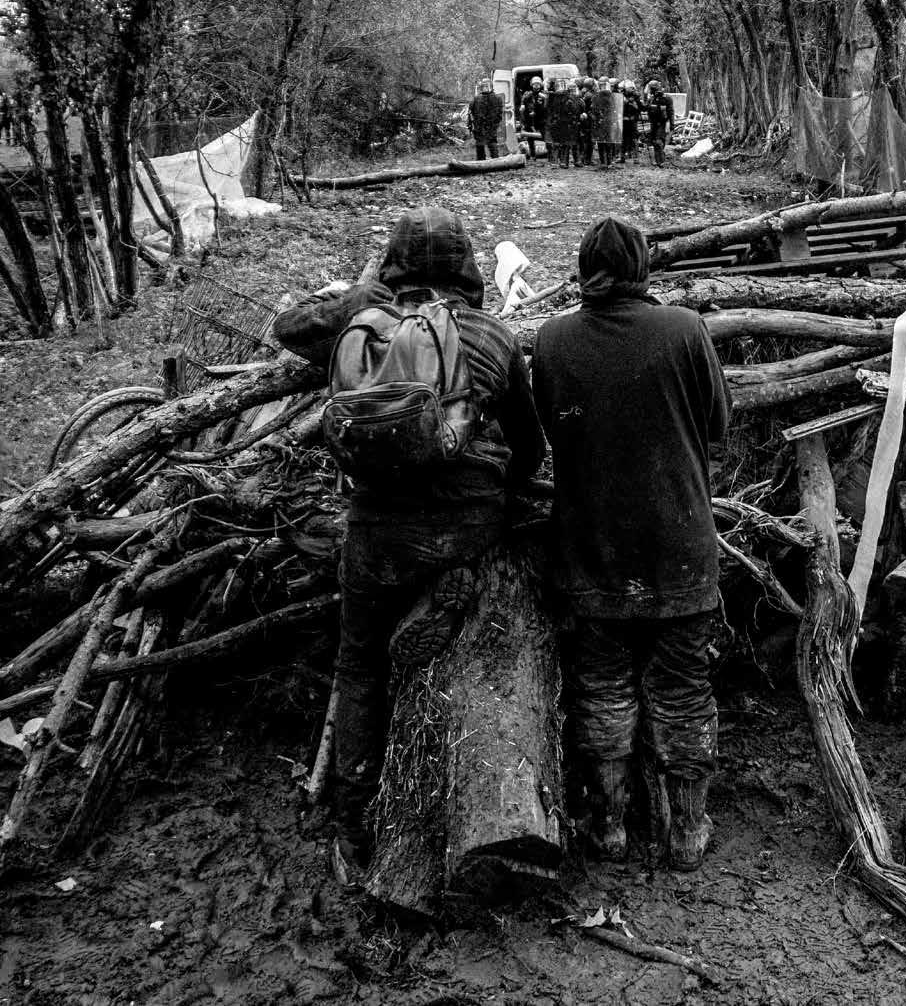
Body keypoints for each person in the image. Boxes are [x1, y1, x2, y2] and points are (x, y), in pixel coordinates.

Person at [273, 206, 546, 885]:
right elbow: (530, 447)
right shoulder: (492, 334)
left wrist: (362, 294)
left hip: (377, 530)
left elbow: (286, 326)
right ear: (467, 265)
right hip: (468, 526)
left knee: (359, 664)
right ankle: (457, 796)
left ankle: (353, 828)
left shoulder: (364, 318)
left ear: (392, 262)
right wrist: (501, 493)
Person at [532, 216, 730, 872]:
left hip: (592, 551)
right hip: (680, 547)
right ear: (643, 269)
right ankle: (687, 831)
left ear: (583, 271)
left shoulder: (553, 339)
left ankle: (609, 826)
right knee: (683, 691)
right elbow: (718, 426)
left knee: (603, 688)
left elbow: (547, 434)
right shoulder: (686, 330)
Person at [467, 77, 503, 160]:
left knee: (492, 144)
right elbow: (470, 113)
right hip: (479, 126)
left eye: (487, 86)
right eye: (483, 86)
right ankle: (481, 162)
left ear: (491, 86)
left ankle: (496, 162)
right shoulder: (476, 99)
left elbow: (499, 114)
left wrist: (495, 124)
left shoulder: (497, 98)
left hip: (491, 126)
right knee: (480, 145)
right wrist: (471, 125)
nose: (485, 88)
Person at [645, 80, 676, 167]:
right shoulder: (651, 99)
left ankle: (661, 161)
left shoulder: (667, 98)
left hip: (662, 123)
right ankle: (654, 160)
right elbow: (645, 108)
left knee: (659, 141)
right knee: (651, 142)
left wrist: (672, 124)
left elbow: (671, 112)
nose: (651, 91)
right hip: (653, 123)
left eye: (652, 89)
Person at [520, 76, 547, 162]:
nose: (536, 86)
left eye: (538, 84)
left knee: (546, 137)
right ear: (532, 85)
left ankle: (550, 155)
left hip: (541, 119)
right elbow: (523, 100)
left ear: (540, 85)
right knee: (530, 139)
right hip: (530, 119)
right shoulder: (528, 94)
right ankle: (532, 155)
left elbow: (546, 105)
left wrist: (544, 99)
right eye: (535, 84)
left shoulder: (544, 94)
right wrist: (522, 105)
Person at [620, 81, 640, 165]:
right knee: (623, 139)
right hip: (624, 120)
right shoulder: (622, 96)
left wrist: (630, 103)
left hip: (632, 121)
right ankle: (622, 157)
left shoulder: (635, 96)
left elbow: (639, 108)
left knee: (634, 139)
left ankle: (636, 157)